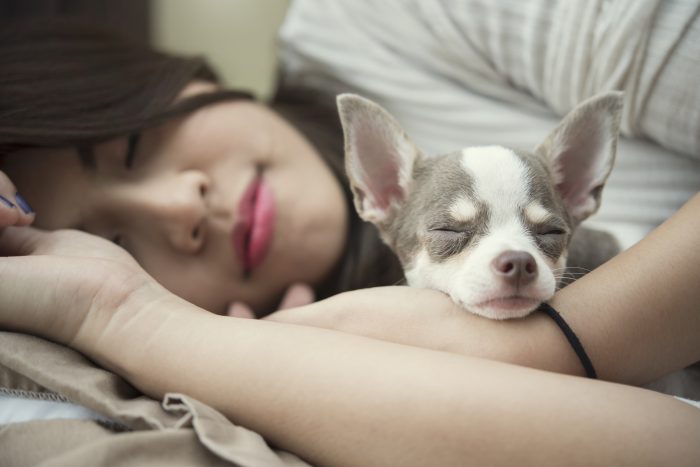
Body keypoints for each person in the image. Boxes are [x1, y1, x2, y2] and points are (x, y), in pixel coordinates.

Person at [1, 5, 700, 467]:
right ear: (381, 193)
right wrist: (166, 332)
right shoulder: (246, 391)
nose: (183, 207)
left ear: (172, 76)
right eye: (118, 241)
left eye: (134, 145)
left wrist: (553, 341)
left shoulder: (387, 14)